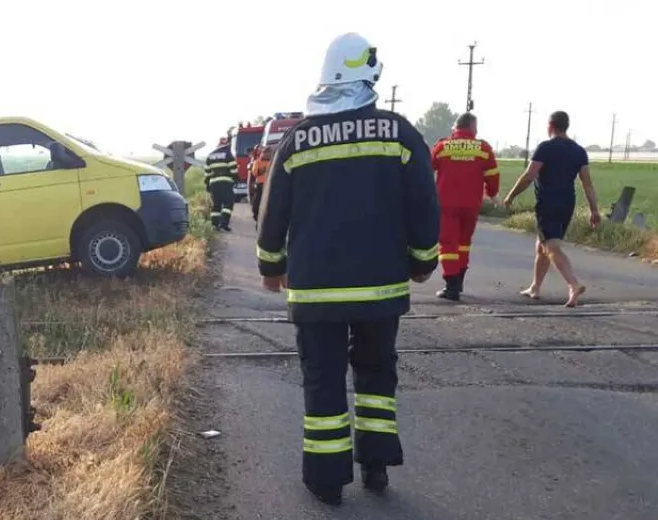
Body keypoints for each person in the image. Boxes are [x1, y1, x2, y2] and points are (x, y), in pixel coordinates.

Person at [256, 32, 439, 506]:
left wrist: (270, 265)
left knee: (323, 378)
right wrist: (423, 261)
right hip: (380, 289)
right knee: (377, 372)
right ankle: (375, 463)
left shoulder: (298, 141)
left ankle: (326, 479)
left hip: (315, 292)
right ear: (370, 77)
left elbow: (273, 211)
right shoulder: (399, 133)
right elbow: (422, 203)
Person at [503, 111, 600, 307]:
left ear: (550, 126)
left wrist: (510, 196)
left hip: (548, 202)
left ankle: (573, 284)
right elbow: (587, 184)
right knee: (542, 245)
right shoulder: (579, 151)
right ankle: (535, 287)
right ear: (566, 126)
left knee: (551, 246)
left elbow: (529, 176)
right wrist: (594, 210)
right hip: (567, 203)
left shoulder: (545, 148)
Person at [430, 112, 501, 301]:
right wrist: (493, 195)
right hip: (471, 205)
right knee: (463, 244)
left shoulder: (443, 146)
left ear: (456, 127)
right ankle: (459, 280)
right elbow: (493, 175)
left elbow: (426, 170)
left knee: (448, 245)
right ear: (471, 127)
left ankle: (451, 286)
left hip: (446, 204)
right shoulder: (483, 148)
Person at [204, 133, 238, 231]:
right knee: (228, 203)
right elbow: (233, 169)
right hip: (226, 183)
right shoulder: (228, 154)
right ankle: (223, 224)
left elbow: (207, 172)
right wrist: (236, 178)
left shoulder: (210, 155)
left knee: (216, 205)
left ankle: (214, 225)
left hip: (214, 184)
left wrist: (207, 184)